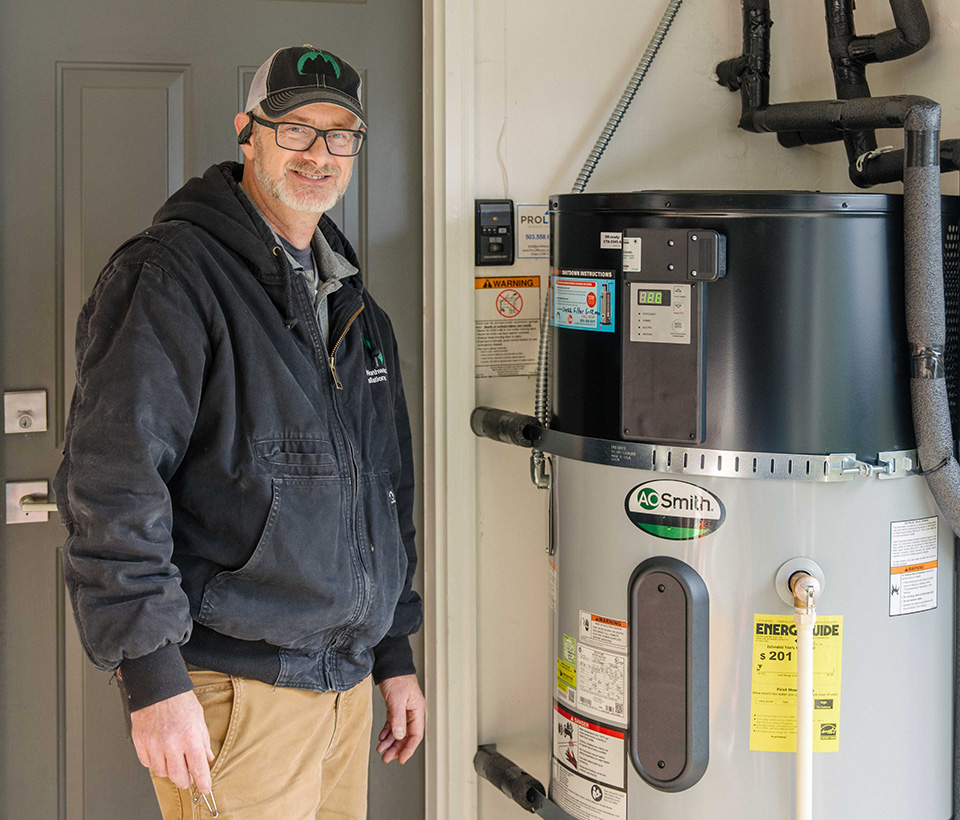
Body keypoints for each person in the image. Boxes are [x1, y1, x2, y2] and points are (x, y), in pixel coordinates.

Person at [54, 44, 424, 819]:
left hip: (344, 691)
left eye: (339, 134)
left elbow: (386, 491)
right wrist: (151, 677)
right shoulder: (173, 275)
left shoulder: (353, 304)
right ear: (247, 134)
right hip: (236, 696)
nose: (318, 153)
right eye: (294, 128)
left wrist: (393, 652)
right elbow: (113, 482)